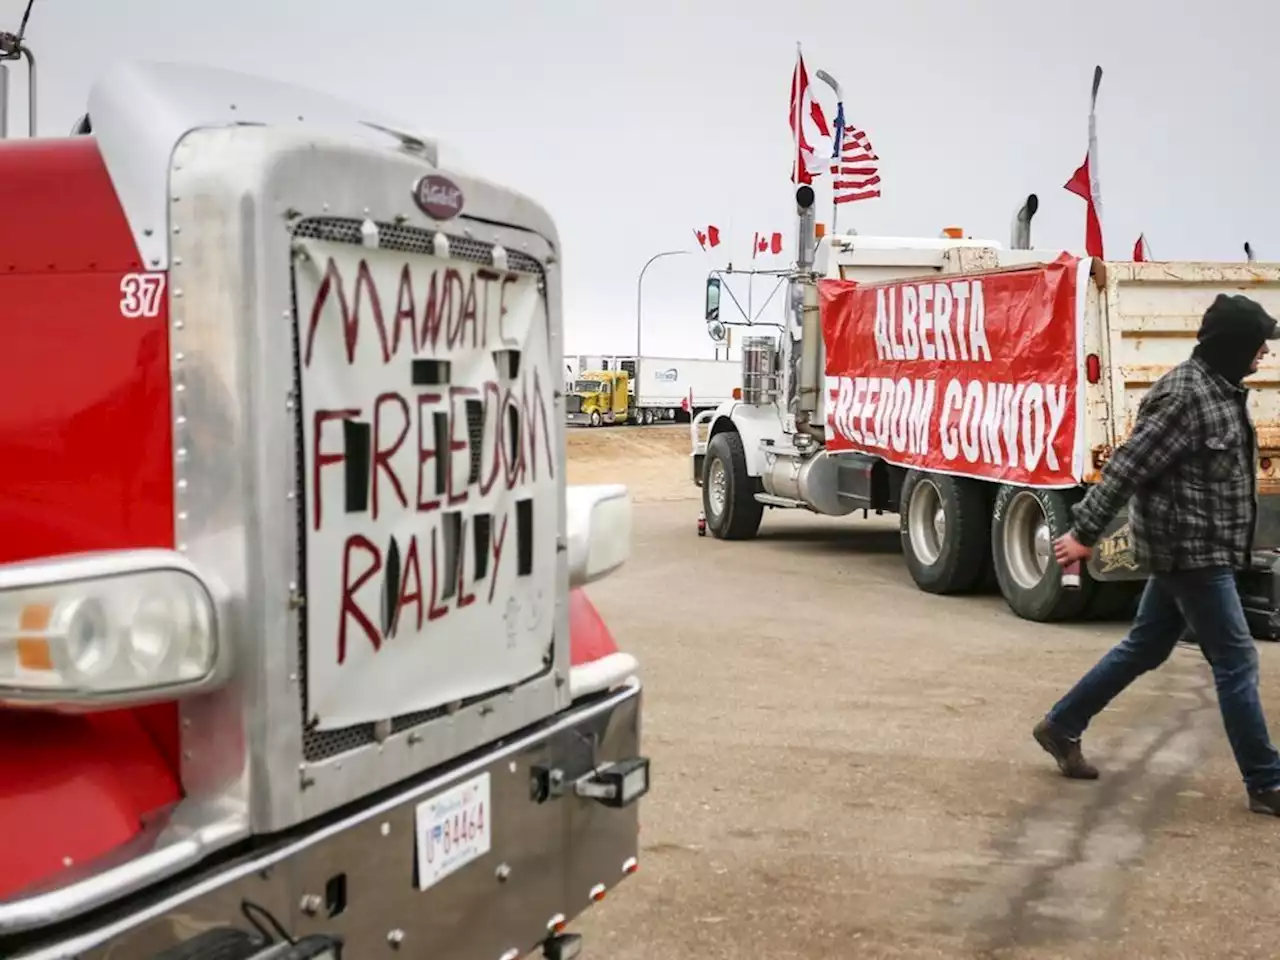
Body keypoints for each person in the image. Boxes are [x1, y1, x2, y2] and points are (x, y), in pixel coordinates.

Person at [1034, 293, 1280, 815]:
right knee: (1237, 661)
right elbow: (1125, 468)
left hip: (1201, 548)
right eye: (1258, 344)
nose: (1264, 353)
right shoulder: (1185, 398)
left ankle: (1061, 725)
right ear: (1234, 346)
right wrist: (1083, 534)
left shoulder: (1222, 389)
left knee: (1146, 646)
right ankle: (1267, 782)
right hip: (1190, 553)